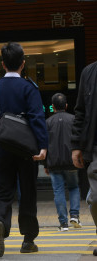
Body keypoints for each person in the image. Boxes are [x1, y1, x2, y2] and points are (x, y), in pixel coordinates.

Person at [0, 42, 48, 257]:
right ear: (23, 63)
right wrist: (43, 146)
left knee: (2, 190)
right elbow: (37, 119)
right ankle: (28, 240)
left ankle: (0, 221)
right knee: (27, 192)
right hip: (26, 150)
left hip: (1, 148)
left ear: (2, 64)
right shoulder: (29, 88)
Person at [44, 93, 81, 231]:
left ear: (52, 107)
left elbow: (45, 145)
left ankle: (63, 223)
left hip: (54, 163)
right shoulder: (74, 119)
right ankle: (75, 215)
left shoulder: (47, 122)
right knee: (74, 187)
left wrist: (46, 165)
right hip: (72, 161)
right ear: (66, 105)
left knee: (58, 191)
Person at [71, 60, 97, 256]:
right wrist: (76, 146)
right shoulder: (88, 72)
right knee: (95, 198)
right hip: (94, 147)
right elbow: (80, 111)